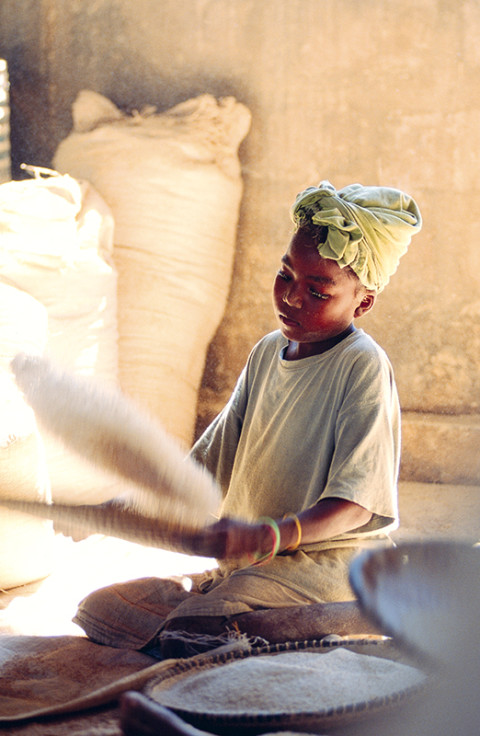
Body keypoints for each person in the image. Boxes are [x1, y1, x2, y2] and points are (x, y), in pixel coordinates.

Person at [74, 180, 422, 658]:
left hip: (328, 562)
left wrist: (274, 534)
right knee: (101, 607)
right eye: (286, 276)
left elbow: (357, 503)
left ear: (362, 303)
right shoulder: (266, 353)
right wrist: (138, 502)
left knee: (203, 624)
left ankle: (354, 612)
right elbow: (208, 462)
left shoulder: (362, 365)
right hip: (256, 566)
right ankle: (234, 621)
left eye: (318, 291)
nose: (292, 298)